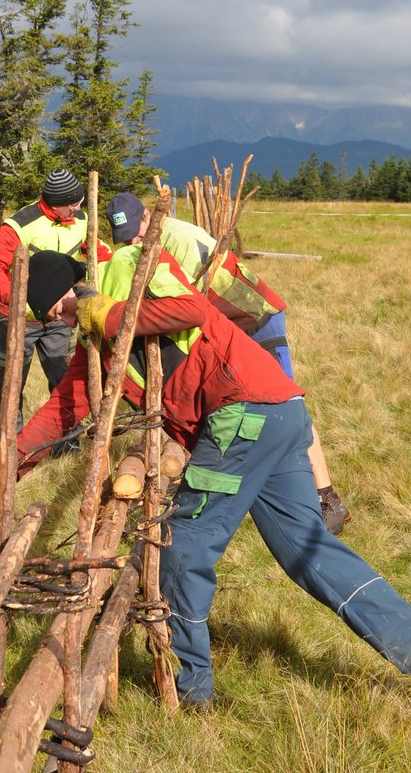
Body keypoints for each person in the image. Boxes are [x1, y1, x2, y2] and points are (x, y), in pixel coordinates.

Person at [0, 248, 411, 750]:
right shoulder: (99, 348)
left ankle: (191, 696)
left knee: (181, 548)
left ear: (73, 285)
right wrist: (8, 466)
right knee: (309, 553)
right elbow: (62, 411)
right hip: (275, 412)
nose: (62, 321)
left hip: (245, 413)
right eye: (53, 317)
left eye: (60, 308)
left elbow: (190, 308)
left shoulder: (129, 266)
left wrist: (108, 312)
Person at [104, 192, 349, 535]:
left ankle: (326, 498)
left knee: (286, 402)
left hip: (254, 319)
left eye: (138, 234)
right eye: (126, 239)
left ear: (148, 216)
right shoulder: (154, 243)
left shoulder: (178, 241)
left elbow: (186, 307)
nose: (134, 243)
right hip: (229, 330)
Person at [0, 168, 110, 436]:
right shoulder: (19, 226)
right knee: (12, 385)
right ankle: (9, 446)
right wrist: (22, 303)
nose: (79, 208)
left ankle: (66, 444)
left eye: (81, 202)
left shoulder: (81, 220)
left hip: (62, 319)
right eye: (74, 204)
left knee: (64, 382)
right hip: (20, 321)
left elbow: (101, 256)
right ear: (55, 203)